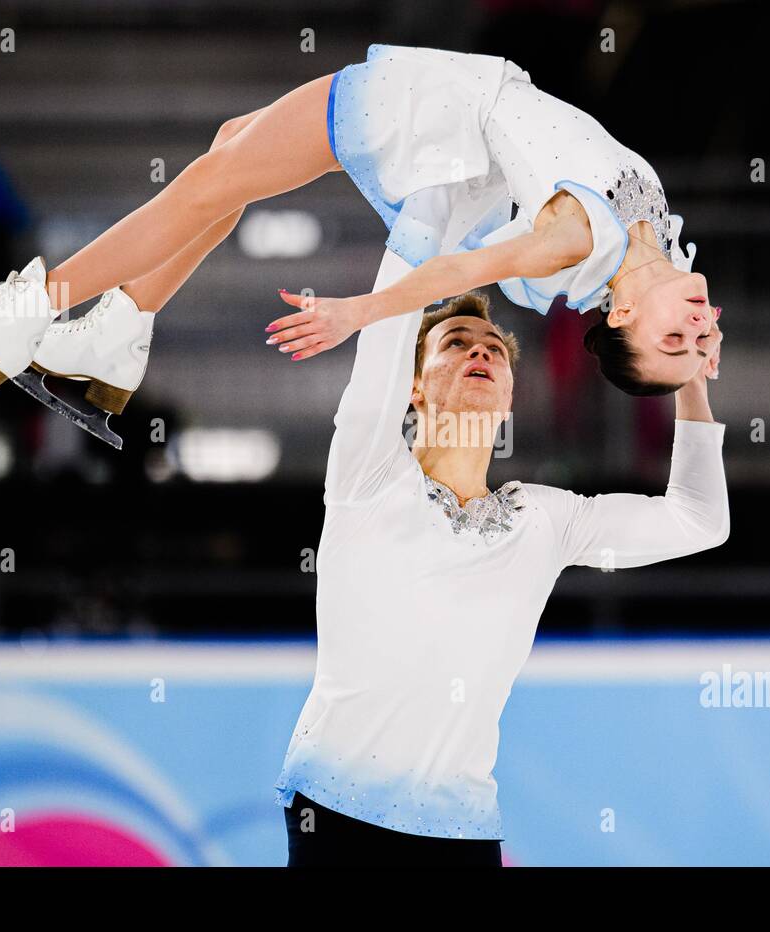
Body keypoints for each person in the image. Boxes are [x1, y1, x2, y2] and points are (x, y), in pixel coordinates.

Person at [0, 45, 719, 446]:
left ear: (619, 313)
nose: (693, 328)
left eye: (670, 341)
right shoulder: (656, 245)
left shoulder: (577, 239)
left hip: (427, 114)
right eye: (696, 336)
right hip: (457, 108)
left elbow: (462, 271)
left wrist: (361, 310)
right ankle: (118, 333)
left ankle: (24, 311)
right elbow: (675, 293)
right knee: (231, 146)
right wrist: (694, 361)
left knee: (211, 182)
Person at [277, 251, 727, 865]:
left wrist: (690, 374)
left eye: (493, 348)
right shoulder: (369, 475)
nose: (479, 353)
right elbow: (389, 325)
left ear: (511, 395)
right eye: (456, 344)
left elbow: (698, 520)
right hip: (336, 812)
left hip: (461, 831)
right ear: (412, 386)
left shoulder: (545, 521)